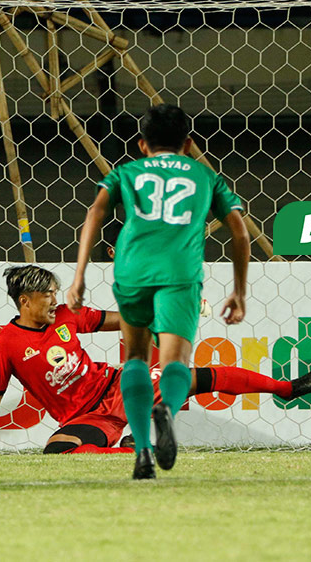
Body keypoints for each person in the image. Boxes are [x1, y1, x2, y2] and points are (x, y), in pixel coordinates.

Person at [0, 265, 311, 456]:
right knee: (59, 452)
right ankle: (132, 450)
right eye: (47, 295)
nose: (55, 300)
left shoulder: (66, 316)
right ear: (25, 300)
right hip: (84, 417)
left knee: (192, 376)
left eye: (56, 293)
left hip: (118, 387)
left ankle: (286, 388)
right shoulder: (6, 345)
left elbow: (124, 318)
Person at [68, 104, 242, 479]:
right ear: (189, 143)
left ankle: (143, 452)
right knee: (174, 363)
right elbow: (240, 232)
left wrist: (79, 276)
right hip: (179, 272)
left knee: (134, 356)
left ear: (142, 144)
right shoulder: (206, 176)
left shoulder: (126, 171)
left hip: (132, 270)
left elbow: (94, 213)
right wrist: (239, 291)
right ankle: (166, 411)